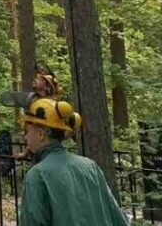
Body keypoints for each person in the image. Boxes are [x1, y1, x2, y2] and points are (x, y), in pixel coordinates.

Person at [18, 96, 129, 226]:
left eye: (27, 131)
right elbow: (117, 217)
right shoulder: (90, 166)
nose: (25, 137)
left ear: (41, 134)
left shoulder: (37, 175)